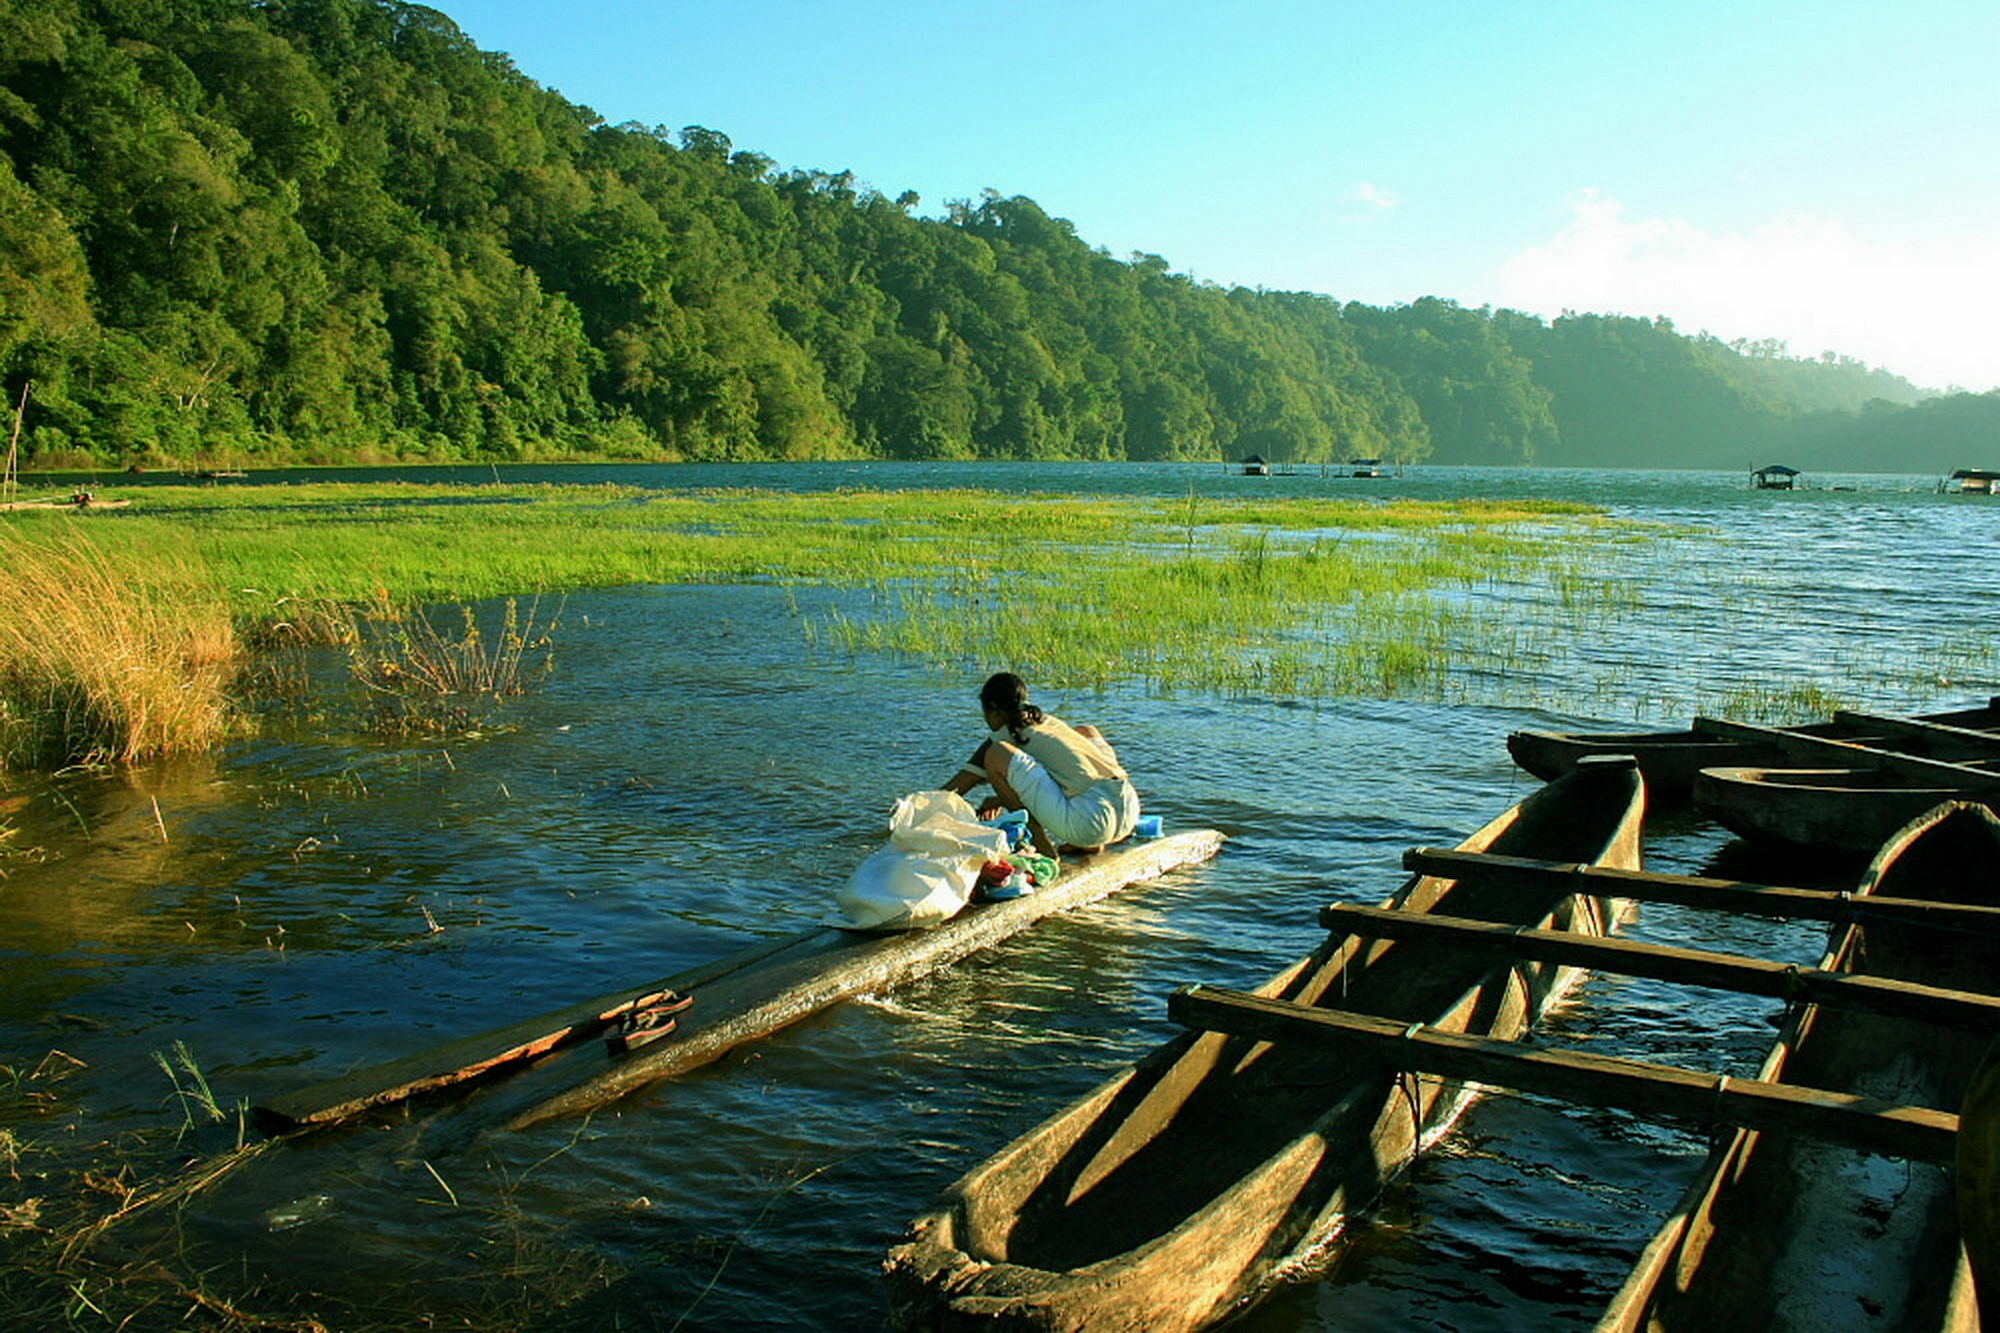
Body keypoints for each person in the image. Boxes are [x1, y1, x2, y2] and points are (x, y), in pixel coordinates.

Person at [942, 672, 1140, 860]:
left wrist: (917, 811)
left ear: (995, 713)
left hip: (1089, 823)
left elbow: (952, 791)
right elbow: (1055, 774)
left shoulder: (1002, 735)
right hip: (1129, 810)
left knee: (995, 755)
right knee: (1086, 731)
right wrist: (1001, 799)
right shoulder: (1047, 722)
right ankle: (1089, 845)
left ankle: (1044, 848)